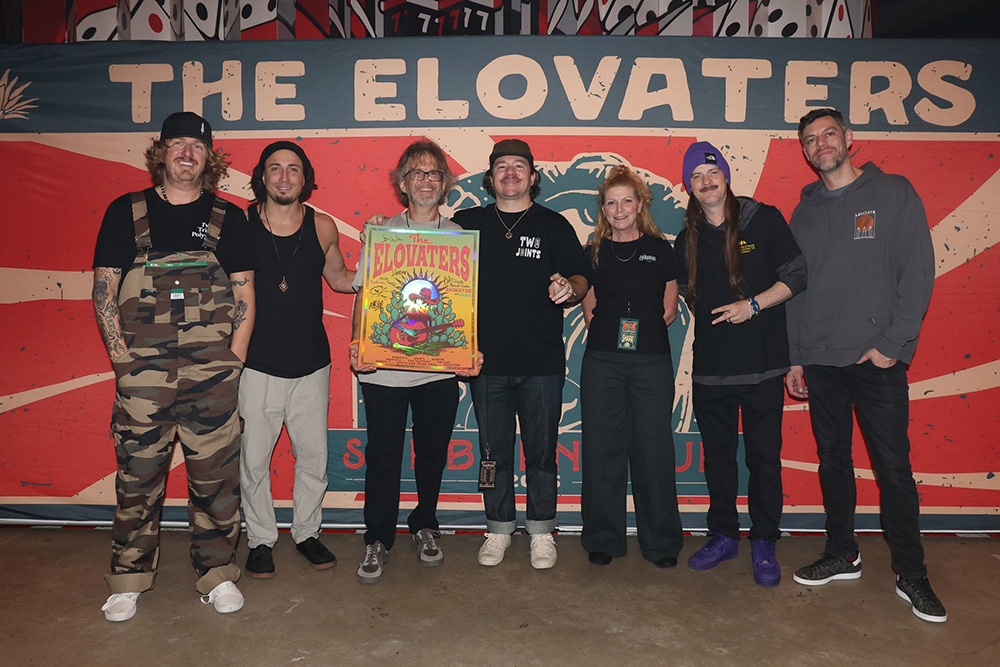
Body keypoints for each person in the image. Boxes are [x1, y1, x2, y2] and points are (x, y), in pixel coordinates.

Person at [92, 112, 255, 621]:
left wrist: (234, 362)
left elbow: (245, 295)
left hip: (213, 377)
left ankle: (218, 575)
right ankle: (128, 579)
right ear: (161, 152)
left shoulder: (228, 218)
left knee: (216, 481)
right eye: (178, 144)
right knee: (138, 480)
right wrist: (122, 363)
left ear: (209, 158)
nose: (187, 153)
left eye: (197, 146)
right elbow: (104, 290)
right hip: (142, 380)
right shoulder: (126, 211)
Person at [785, 108, 945, 622]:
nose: (820, 144)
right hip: (820, 360)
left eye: (829, 134)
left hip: (876, 359)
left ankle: (912, 573)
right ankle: (842, 552)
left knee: (893, 467)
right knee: (832, 460)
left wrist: (892, 344)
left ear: (849, 138)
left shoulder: (893, 192)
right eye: (810, 140)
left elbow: (917, 272)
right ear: (805, 151)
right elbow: (794, 289)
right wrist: (796, 357)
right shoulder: (803, 212)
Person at [451, 139, 590, 570]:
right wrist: (383, 225)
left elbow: (581, 276)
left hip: (541, 363)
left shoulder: (554, 224)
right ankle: (498, 528)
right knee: (492, 453)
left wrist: (570, 288)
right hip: (484, 363)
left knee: (541, 452)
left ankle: (542, 530)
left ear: (533, 176)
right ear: (490, 177)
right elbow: (422, 238)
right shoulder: (466, 223)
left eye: (519, 166)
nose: (510, 173)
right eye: (501, 166)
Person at [348, 141, 483, 584]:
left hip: (437, 372)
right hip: (384, 370)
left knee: (432, 456)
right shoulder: (381, 233)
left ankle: (425, 524)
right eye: (417, 173)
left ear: (444, 183)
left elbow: (467, 304)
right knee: (382, 457)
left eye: (433, 173)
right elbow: (364, 294)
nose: (426, 181)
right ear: (402, 184)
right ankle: (377, 538)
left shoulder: (459, 237)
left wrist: (470, 349)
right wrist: (357, 342)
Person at [673, 142, 806, 586]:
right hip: (711, 369)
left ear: (726, 177)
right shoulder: (687, 239)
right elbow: (684, 294)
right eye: (696, 177)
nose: (706, 181)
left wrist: (753, 305)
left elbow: (797, 275)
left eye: (712, 172)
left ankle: (764, 539)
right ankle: (724, 535)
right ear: (689, 187)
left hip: (764, 365)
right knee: (718, 459)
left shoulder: (762, 219)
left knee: (765, 458)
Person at [239, 141, 355, 579]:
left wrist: (385, 262)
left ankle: (307, 532)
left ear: (305, 178)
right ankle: (260, 540)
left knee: (313, 458)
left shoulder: (322, 226)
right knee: (253, 461)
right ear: (262, 176)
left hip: (311, 363)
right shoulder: (240, 225)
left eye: (293, 169)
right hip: (255, 365)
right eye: (275, 169)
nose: (284, 177)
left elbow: (340, 279)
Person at [579, 165, 683, 569]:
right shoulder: (593, 252)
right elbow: (589, 305)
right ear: (603, 210)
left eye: (626, 201)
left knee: (653, 449)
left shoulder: (661, 249)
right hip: (602, 362)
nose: (619, 209)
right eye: (611, 203)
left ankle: (661, 542)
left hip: (650, 362)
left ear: (640, 205)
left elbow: (669, 309)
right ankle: (603, 538)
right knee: (602, 447)